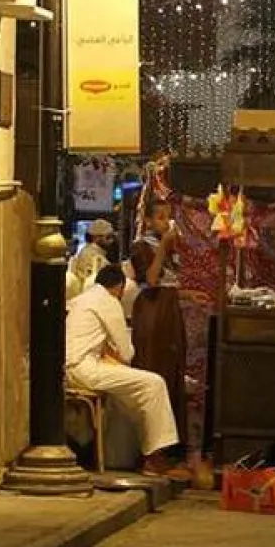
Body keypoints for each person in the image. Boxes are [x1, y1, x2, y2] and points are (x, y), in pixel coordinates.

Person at [65, 266, 188, 478]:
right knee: (153, 383)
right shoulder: (108, 301)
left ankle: (146, 450)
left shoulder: (82, 299)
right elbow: (127, 352)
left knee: (134, 390)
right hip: (85, 368)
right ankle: (154, 457)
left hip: (73, 367)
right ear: (119, 288)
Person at [130, 201, 187, 449]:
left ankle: (170, 445)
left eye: (169, 217)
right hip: (153, 313)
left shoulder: (171, 249)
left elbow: (170, 284)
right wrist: (163, 246)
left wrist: (190, 295)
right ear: (150, 221)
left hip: (169, 310)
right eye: (161, 218)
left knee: (172, 370)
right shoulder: (141, 247)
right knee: (155, 368)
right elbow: (152, 280)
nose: (166, 222)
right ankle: (151, 447)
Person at [67, 218, 116, 300]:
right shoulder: (91, 255)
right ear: (96, 238)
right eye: (108, 237)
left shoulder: (94, 253)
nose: (111, 241)